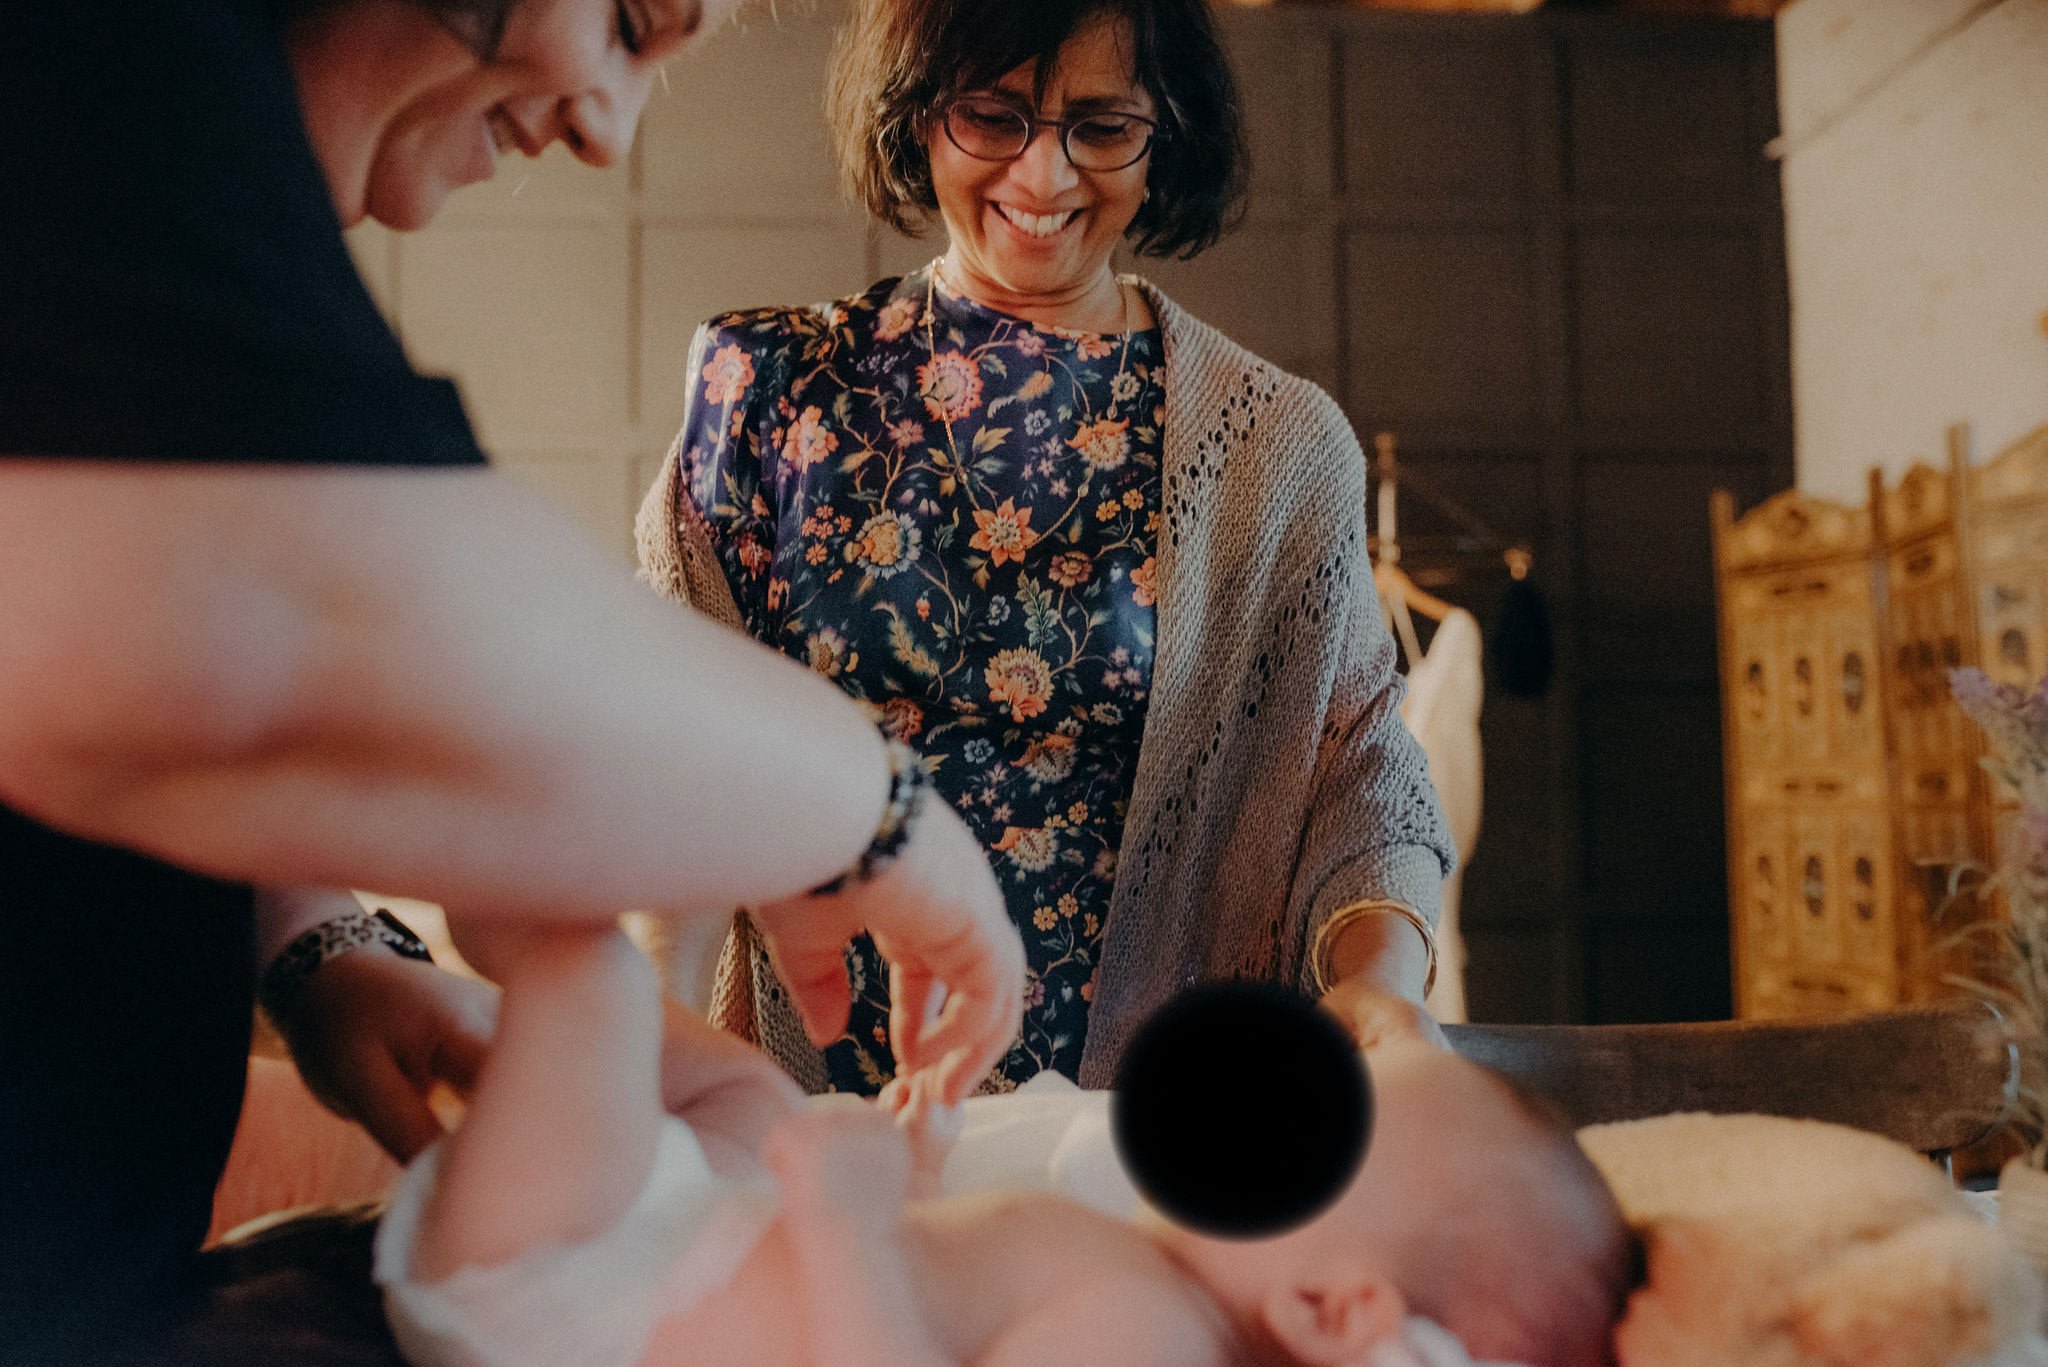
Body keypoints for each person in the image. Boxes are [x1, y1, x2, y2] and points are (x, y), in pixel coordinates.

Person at [0, 2, 1023, 1358]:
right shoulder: (110, 53)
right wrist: (886, 818)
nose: (606, 125)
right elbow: (327, 620)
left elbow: (146, 624)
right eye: (629, 18)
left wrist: (322, 948)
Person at [638, 0, 1457, 1097]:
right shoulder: (767, 389)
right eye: (993, 116)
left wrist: (1381, 988)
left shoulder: (1276, 443)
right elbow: (656, 746)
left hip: (1141, 1128)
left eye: (1100, 126)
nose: (1043, 174)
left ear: (1162, 132)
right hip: (808, 1116)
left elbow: (1358, 763)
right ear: (917, 115)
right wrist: (642, 1042)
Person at [374, 922, 1634, 1367]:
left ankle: (523, 969)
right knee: (748, 1102)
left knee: (587, 968)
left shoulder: (1155, 1339)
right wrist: (915, 1182)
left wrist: (845, 1224)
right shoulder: (1151, 1285)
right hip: (688, 1228)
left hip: (586, 1294)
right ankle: (502, 1046)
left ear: (1326, 1302)